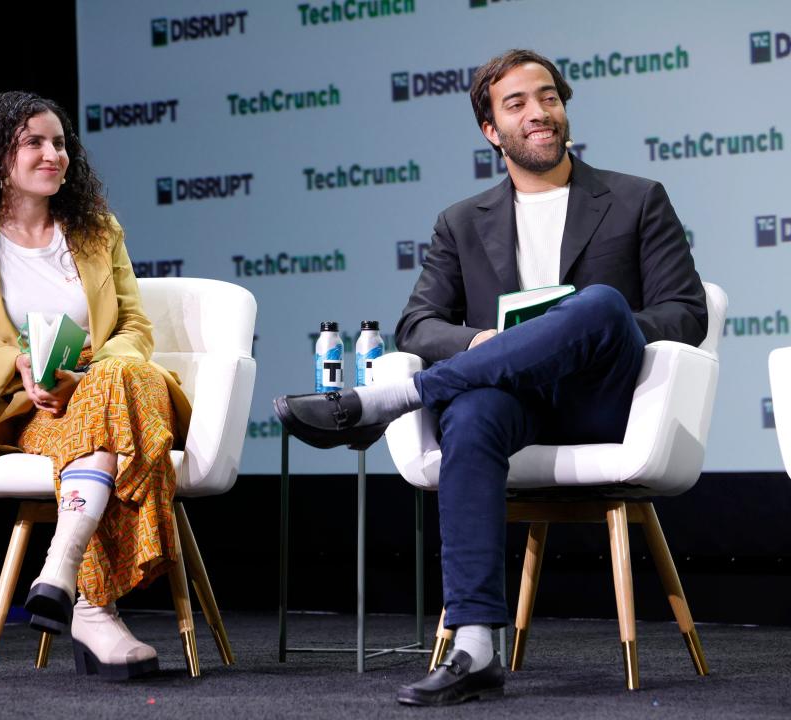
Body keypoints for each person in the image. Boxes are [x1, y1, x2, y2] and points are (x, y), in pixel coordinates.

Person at [273, 49, 706, 706]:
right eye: (518, 103)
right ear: (490, 130)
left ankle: (389, 400)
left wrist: (582, 329)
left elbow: (686, 313)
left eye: (549, 97)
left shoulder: (636, 199)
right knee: (471, 418)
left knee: (595, 303)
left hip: (603, 398)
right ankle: (475, 646)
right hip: (515, 401)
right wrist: (490, 343)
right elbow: (418, 325)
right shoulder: (460, 222)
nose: (539, 112)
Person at [0, 91, 192, 680]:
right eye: (34, 143)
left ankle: (64, 575)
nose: (53, 154)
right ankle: (90, 607)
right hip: (38, 402)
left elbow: (134, 324)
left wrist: (91, 374)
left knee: (123, 377)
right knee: (106, 427)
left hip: (109, 381)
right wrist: (18, 366)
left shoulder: (97, 230)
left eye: (61, 143)